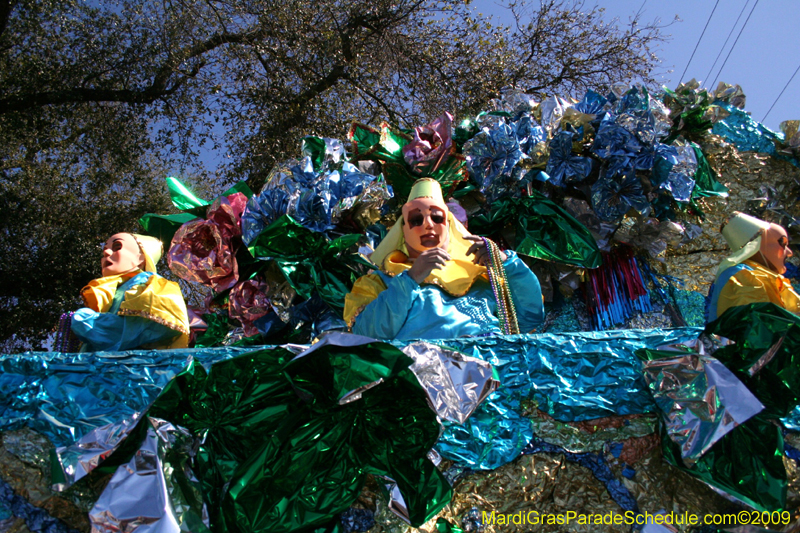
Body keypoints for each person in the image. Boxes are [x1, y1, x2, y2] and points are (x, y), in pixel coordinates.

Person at [344, 178, 544, 340]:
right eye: (416, 220)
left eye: (437, 217)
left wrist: (506, 264)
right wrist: (410, 279)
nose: (428, 225)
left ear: (448, 224)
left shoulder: (480, 275)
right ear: (403, 231)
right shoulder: (377, 282)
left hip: (490, 372)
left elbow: (528, 319)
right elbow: (367, 335)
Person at [70, 233, 190, 351]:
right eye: (105, 250)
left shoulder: (152, 283)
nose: (106, 253)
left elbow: (152, 326)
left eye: (117, 247)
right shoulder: (111, 290)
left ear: (141, 258)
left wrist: (88, 322)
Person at [706, 211, 799, 322]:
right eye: (782, 243)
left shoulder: (763, 277)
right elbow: (761, 327)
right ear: (758, 244)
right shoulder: (744, 276)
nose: (789, 253)